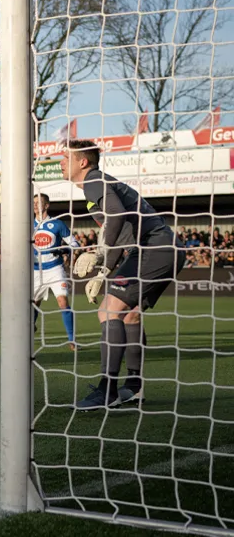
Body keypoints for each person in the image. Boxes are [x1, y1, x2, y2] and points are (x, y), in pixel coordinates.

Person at [63, 139, 177, 410]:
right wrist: (104, 257)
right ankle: (134, 388)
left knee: (108, 310)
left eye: (65, 158)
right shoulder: (99, 183)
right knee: (130, 314)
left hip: (153, 247)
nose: (60, 163)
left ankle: (107, 390)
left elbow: (116, 214)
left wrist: (103, 269)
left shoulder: (93, 180)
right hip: (162, 247)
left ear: (82, 162)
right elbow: (119, 226)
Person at [32, 193, 79, 350]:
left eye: (39, 203)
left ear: (46, 206)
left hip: (55, 269)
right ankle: (31, 325)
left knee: (63, 302)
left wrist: (64, 249)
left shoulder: (57, 224)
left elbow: (75, 243)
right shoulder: (27, 225)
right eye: (34, 203)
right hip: (36, 271)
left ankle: (72, 340)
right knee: (34, 304)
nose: (35, 205)